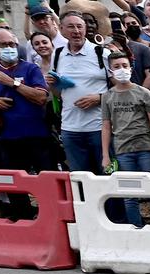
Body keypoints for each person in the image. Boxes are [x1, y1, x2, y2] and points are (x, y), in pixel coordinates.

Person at [0, 27, 54, 178]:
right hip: (6, 138)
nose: (8, 48)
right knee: (14, 186)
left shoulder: (31, 68)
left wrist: (12, 83)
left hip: (36, 136)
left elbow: (41, 97)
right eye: (3, 45)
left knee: (47, 182)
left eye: (11, 44)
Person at [101, 52, 150, 227]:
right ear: (110, 70)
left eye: (124, 65)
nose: (121, 69)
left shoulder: (143, 92)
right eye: (116, 66)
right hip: (122, 150)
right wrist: (105, 155)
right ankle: (136, 228)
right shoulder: (107, 96)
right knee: (129, 194)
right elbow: (106, 126)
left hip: (146, 147)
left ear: (130, 67)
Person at [54, 12, 110, 174]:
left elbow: (121, 90)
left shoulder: (101, 53)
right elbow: (59, 94)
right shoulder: (57, 55)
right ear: (62, 29)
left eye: (80, 26)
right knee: (80, 179)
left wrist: (99, 98)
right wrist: (53, 85)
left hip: (99, 128)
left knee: (106, 177)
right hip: (70, 129)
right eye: (71, 26)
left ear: (85, 29)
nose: (76, 31)